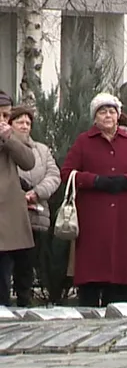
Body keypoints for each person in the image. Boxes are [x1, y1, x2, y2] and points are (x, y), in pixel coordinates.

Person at [61, 93, 127, 307]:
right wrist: (94, 180)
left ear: (118, 116)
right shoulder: (84, 141)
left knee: (118, 279)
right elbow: (67, 172)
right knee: (91, 275)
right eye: (102, 111)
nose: (108, 115)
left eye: (112, 111)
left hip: (121, 216)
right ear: (95, 117)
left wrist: (125, 181)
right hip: (92, 215)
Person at [0, 93, 35, 308]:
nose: (3, 120)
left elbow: (28, 161)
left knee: (4, 272)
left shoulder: (11, 136)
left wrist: (9, 138)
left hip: (7, 216)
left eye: (6, 115)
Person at [11, 106, 59, 242]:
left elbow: (54, 175)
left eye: (28, 123)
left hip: (37, 218)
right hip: (10, 219)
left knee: (31, 261)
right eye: (20, 122)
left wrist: (36, 193)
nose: (24, 126)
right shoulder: (4, 150)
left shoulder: (42, 150)